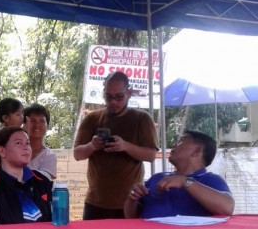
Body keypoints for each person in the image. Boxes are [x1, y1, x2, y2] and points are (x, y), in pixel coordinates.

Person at [73, 71, 158, 220]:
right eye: (108, 97)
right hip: (95, 201)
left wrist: (125, 146)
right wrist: (92, 145)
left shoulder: (142, 118)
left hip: (130, 202)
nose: (113, 102)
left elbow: (151, 155)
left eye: (119, 96)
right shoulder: (92, 118)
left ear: (129, 93)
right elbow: (77, 154)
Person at [124, 130, 235, 219]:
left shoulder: (211, 179)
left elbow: (227, 208)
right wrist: (132, 198)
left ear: (196, 151)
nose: (174, 145)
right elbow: (131, 217)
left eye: (181, 141)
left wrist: (185, 181)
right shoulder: (157, 177)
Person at [0, 127, 52, 225]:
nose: (26, 147)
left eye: (27, 143)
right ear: (2, 151)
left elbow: (57, 220)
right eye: (18, 143)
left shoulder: (42, 179)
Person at [23, 103, 57, 179]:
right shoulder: (14, 150)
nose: (37, 125)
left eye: (42, 121)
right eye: (32, 121)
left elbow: (42, 182)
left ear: (47, 126)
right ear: (25, 124)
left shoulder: (49, 156)